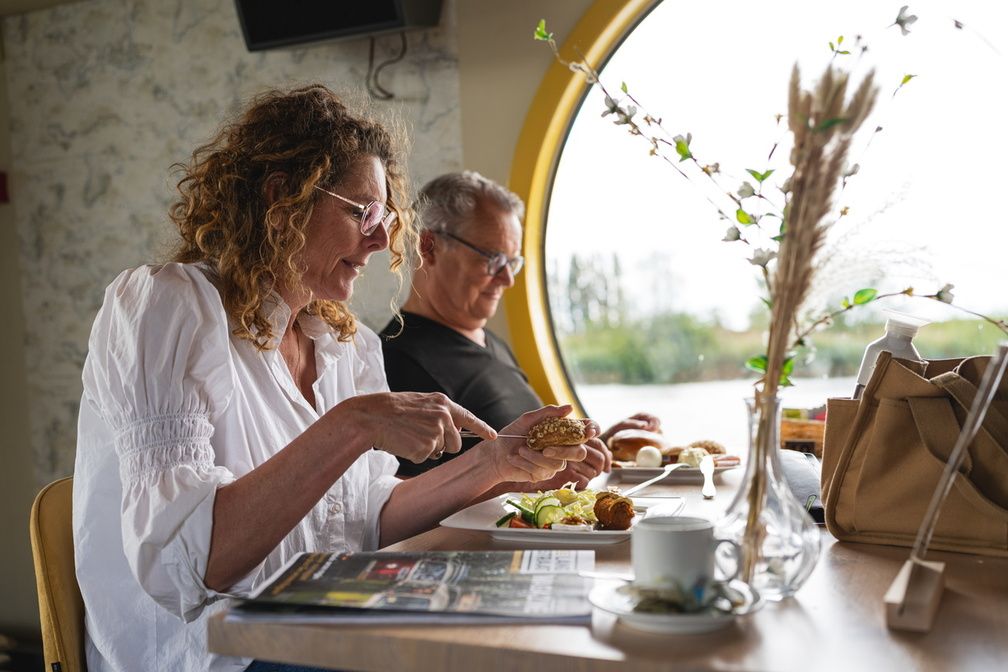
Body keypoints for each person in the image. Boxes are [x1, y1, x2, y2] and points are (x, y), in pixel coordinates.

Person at [72, 86, 599, 672]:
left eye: (386, 219)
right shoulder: (166, 306)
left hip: (322, 628)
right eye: (362, 212)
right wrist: (353, 424)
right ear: (282, 200)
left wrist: (496, 463)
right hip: (215, 655)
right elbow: (192, 569)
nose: (380, 240)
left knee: (545, 626)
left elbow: (367, 519)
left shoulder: (346, 345)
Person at [380, 171, 660, 479]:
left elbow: (525, 452)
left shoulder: (491, 343)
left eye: (512, 262)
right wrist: (539, 482)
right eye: (492, 259)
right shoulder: (393, 360)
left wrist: (592, 452)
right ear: (429, 247)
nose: (507, 279)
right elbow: (399, 500)